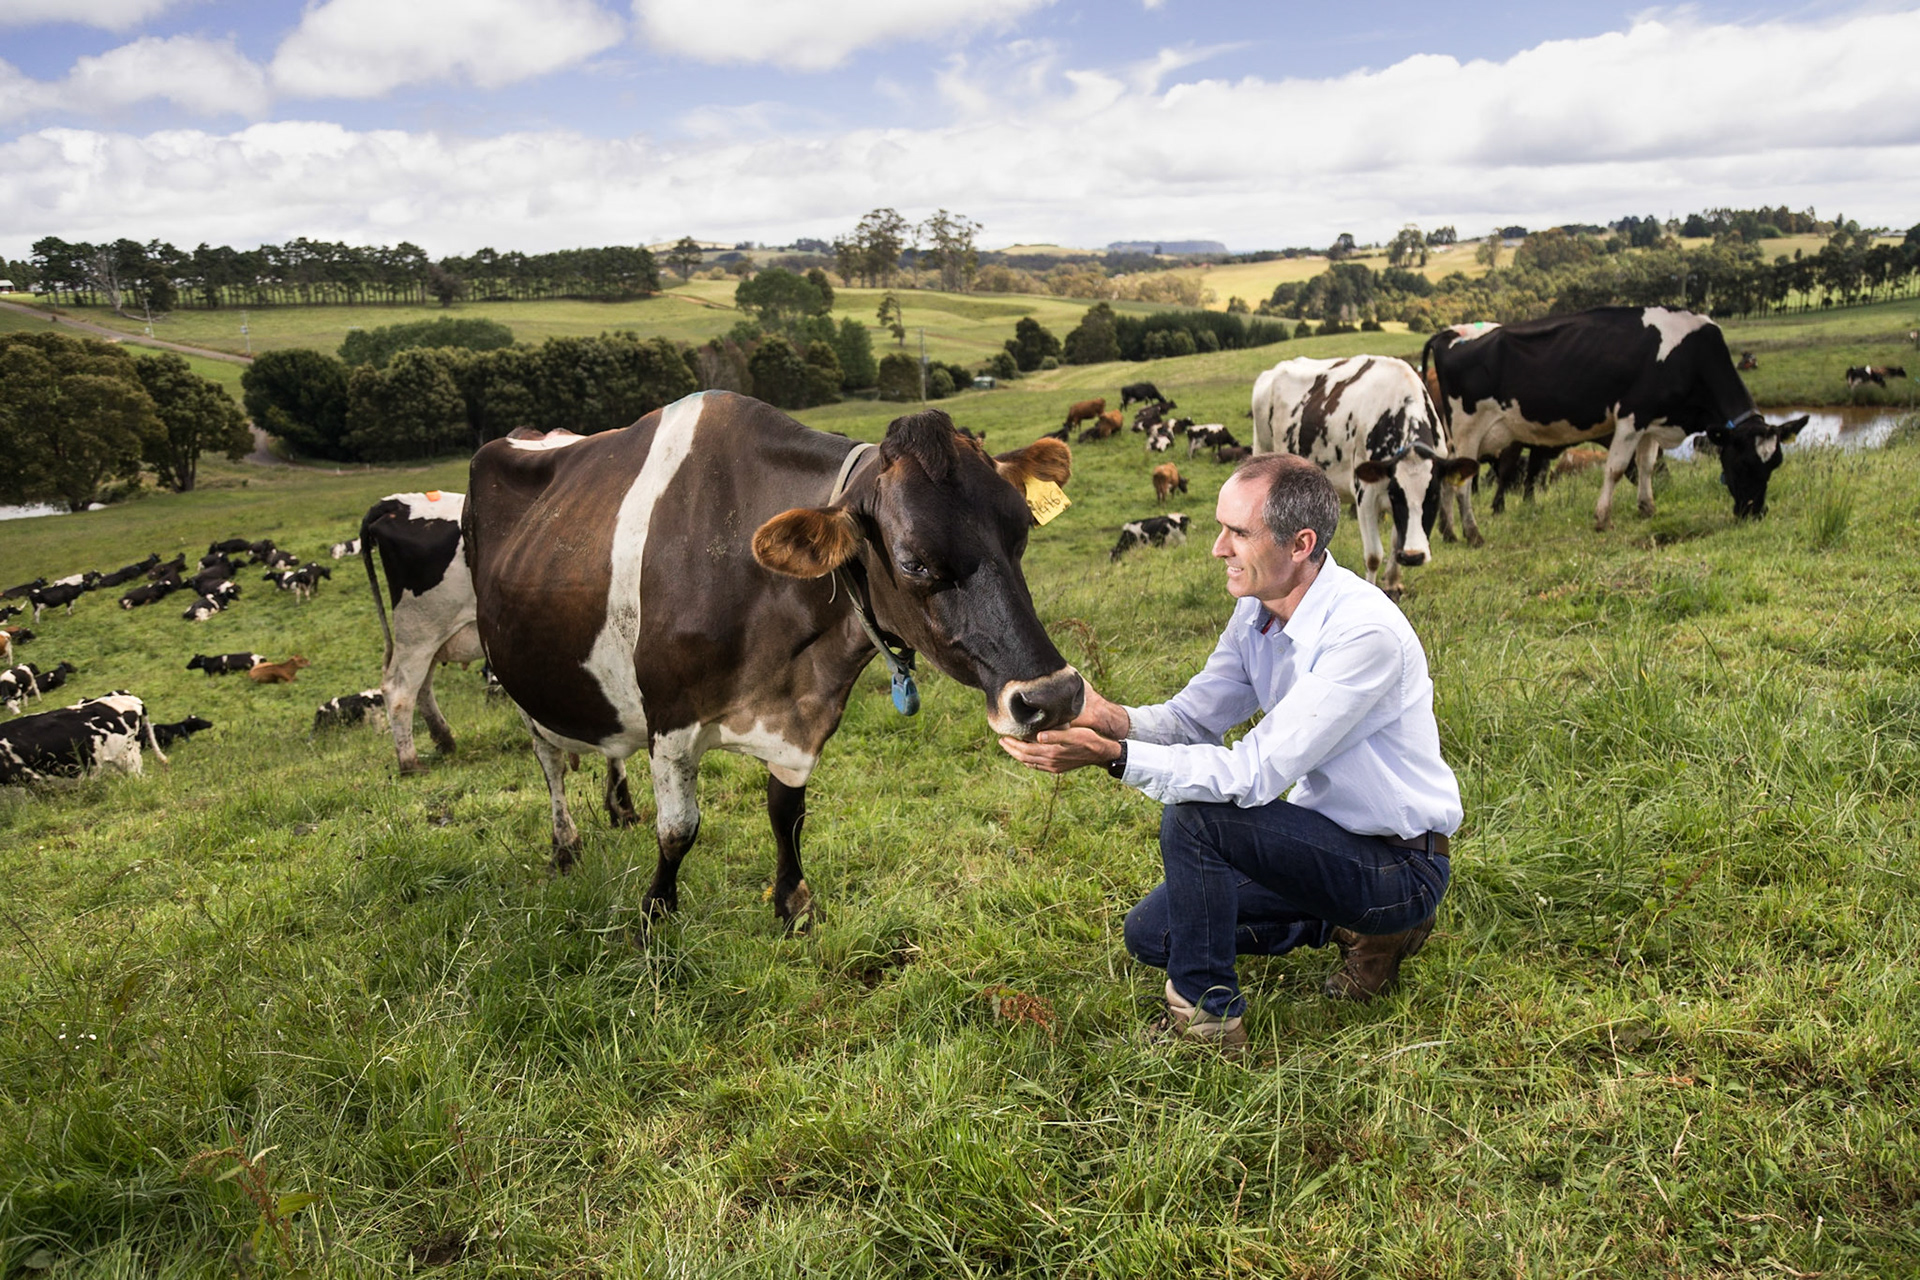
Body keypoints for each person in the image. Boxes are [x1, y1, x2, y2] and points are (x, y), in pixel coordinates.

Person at [999, 454, 1461, 1049]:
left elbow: (1252, 773)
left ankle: (1208, 1021)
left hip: (1399, 866)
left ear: (1300, 544)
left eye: (1237, 532)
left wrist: (1111, 755)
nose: (1218, 548)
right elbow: (1193, 719)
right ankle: (1350, 927)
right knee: (1152, 933)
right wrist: (1106, 715)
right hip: (1320, 844)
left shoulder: (1363, 633)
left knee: (1197, 818)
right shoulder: (1256, 613)